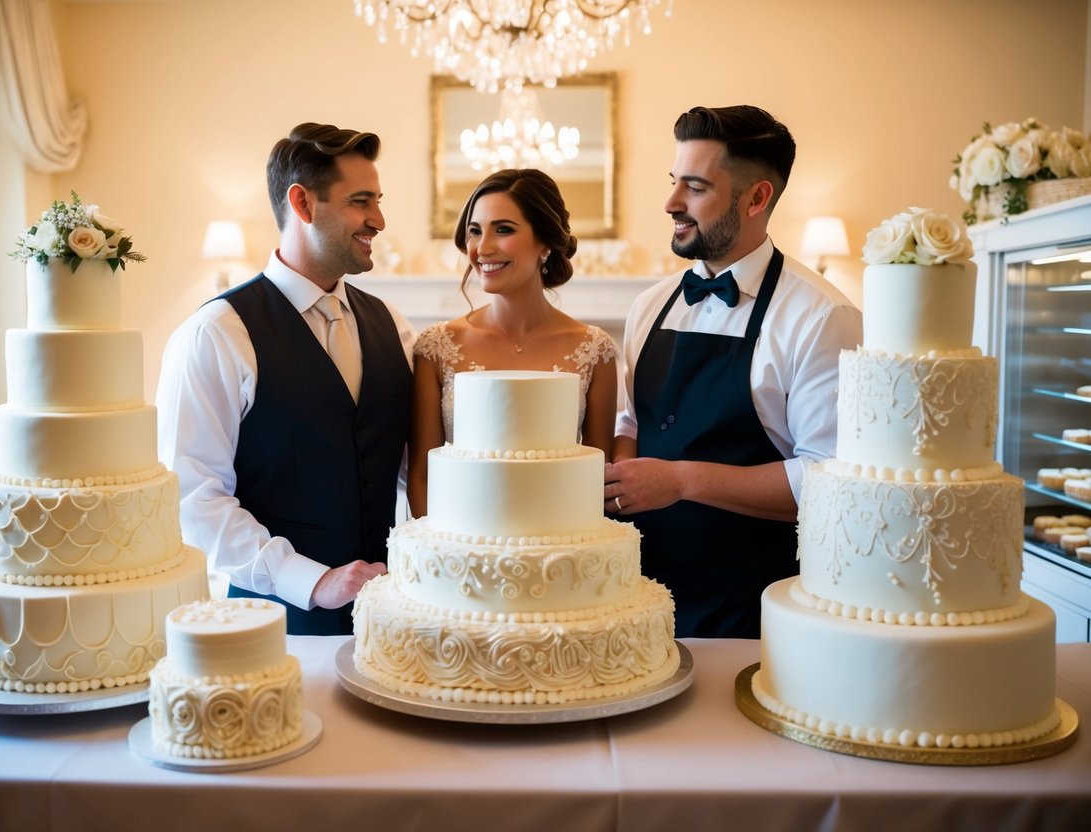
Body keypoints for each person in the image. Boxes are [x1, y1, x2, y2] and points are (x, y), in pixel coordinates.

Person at [604, 105, 862, 638]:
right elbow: (629, 422)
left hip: (757, 609)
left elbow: (832, 483)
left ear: (757, 198)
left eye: (695, 188)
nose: (671, 203)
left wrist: (678, 480)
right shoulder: (650, 304)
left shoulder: (822, 317)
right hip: (637, 598)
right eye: (675, 182)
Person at [156, 122, 416, 635]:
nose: (379, 220)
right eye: (361, 201)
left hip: (391, 623)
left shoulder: (393, 324)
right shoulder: (217, 334)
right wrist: (312, 581)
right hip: (272, 631)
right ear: (302, 204)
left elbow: (415, 468)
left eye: (379, 200)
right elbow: (193, 501)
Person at [408, 168, 617, 517]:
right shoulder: (435, 347)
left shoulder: (596, 350)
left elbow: (595, 480)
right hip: (456, 555)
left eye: (503, 229)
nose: (483, 247)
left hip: (562, 550)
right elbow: (422, 476)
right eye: (475, 231)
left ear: (545, 242)